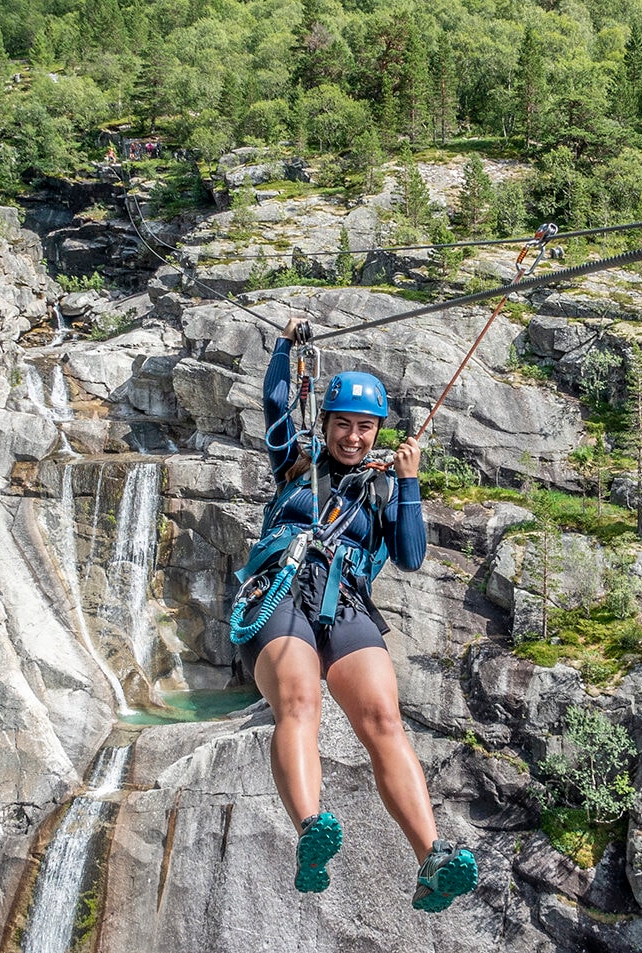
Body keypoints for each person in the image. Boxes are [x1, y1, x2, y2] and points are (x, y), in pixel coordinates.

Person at [231, 315, 478, 912]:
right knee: (299, 702)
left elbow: (413, 555)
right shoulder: (297, 460)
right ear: (328, 423)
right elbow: (273, 399)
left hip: (345, 600)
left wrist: (411, 482)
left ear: (377, 431)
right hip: (281, 588)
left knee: (385, 723)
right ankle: (312, 828)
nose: (353, 437)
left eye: (365, 428)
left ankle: (432, 860)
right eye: (343, 424)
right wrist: (288, 346)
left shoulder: (387, 488)